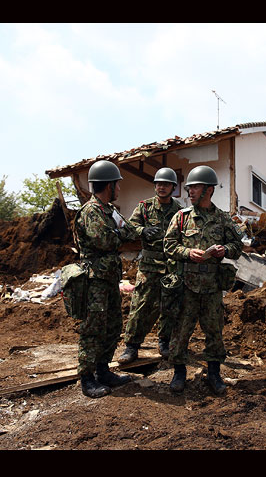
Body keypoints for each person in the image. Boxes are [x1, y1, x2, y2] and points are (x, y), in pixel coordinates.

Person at [163, 165, 244, 395]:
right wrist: (187, 253)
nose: (190, 192)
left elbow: (238, 247)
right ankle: (179, 373)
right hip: (186, 285)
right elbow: (168, 246)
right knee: (181, 331)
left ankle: (214, 373)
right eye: (189, 188)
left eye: (195, 187)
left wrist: (224, 250)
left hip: (212, 287)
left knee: (214, 331)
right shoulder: (181, 217)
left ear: (208, 190)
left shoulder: (223, 219)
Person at [72, 160, 138, 398]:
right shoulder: (91, 211)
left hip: (109, 279)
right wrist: (121, 234)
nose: (119, 188)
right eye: (117, 184)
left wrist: (144, 233)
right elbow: (104, 240)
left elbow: (128, 230)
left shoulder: (109, 210)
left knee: (112, 326)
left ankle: (103, 370)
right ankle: (87, 378)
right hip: (95, 281)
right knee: (93, 329)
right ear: (108, 185)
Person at [117, 168, 183, 364]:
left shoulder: (179, 210)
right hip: (148, 267)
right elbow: (128, 229)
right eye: (158, 184)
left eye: (166, 184)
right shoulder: (144, 207)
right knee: (141, 306)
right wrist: (143, 230)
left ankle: (165, 342)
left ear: (173, 187)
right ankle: (131, 346)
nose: (161, 187)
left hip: (171, 266)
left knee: (169, 306)